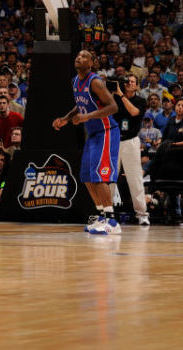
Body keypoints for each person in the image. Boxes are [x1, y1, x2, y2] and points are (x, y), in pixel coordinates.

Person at [53, 50, 122, 235]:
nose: (79, 58)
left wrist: (87, 117)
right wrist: (66, 118)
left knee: (99, 177)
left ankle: (112, 221)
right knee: (87, 178)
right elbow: (80, 104)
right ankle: (101, 216)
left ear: (91, 63)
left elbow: (113, 107)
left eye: (84, 56)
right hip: (92, 134)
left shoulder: (96, 81)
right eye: (78, 55)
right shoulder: (75, 81)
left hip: (107, 132)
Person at [110, 74, 149, 225]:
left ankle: (142, 214)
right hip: (114, 141)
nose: (129, 83)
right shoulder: (115, 98)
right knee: (110, 178)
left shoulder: (140, 100)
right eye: (127, 81)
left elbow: (134, 112)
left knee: (135, 179)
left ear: (137, 86)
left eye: (133, 82)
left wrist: (120, 94)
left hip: (131, 141)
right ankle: (107, 213)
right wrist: (112, 93)